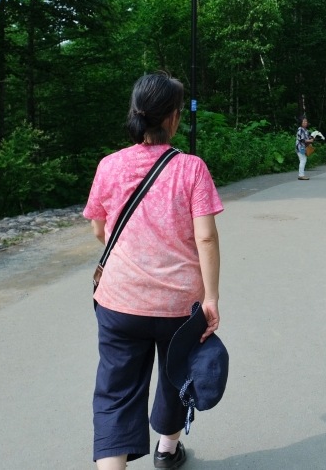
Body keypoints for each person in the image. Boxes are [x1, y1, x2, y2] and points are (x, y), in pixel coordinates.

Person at [84, 73, 223, 470]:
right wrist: (211, 298)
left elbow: (99, 230)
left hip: (119, 301)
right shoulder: (191, 168)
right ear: (174, 117)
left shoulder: (109, 165)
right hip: (179, 305)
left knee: (116, 391)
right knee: (176, 374)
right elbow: (206, 237)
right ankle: (166, 450)